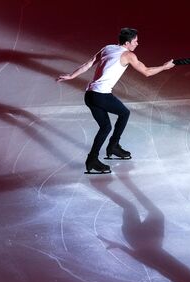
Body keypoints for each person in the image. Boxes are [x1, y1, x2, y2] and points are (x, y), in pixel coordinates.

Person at [57, 28, 175, 173]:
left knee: (106, 127)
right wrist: (164, 67)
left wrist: (71, 76)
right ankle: (113, 146)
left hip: (90, 95)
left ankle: (93, 159)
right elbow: (147, 72)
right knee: (124, 113)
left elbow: (88, 64)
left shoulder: (107, 48)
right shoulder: (128, 55)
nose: (137, 43)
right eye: (135, 41)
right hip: (101, 96)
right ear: (127, 43)